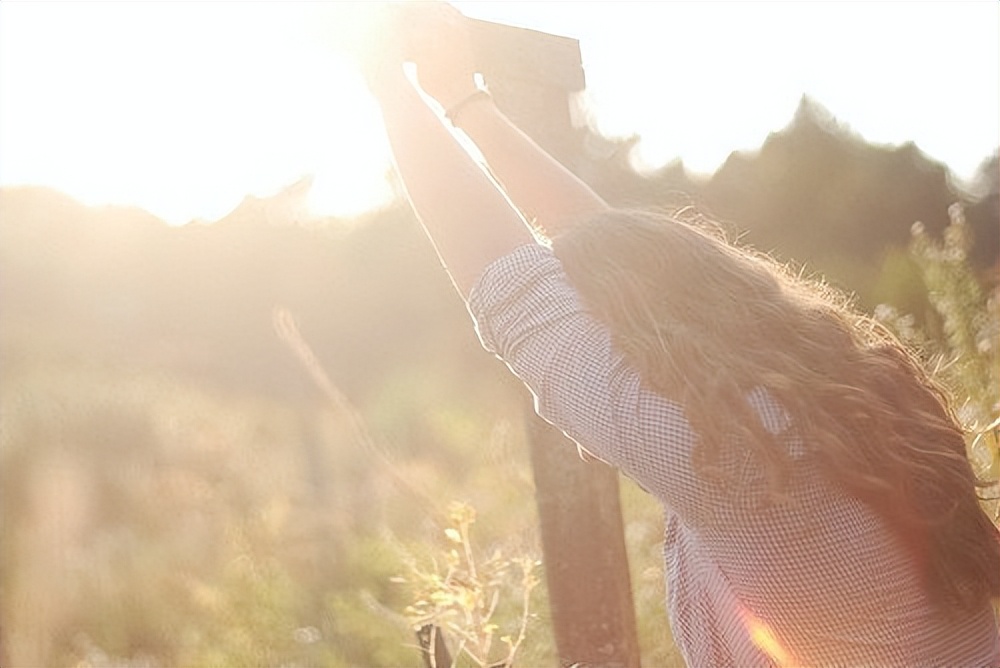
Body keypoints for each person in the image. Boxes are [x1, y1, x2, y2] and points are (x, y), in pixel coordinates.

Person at [359, 4, 1000, 666]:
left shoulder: (730, 454)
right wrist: (465, 101)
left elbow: (516, 294)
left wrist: (383, 74)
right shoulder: (851, 395)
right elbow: (634, 265)